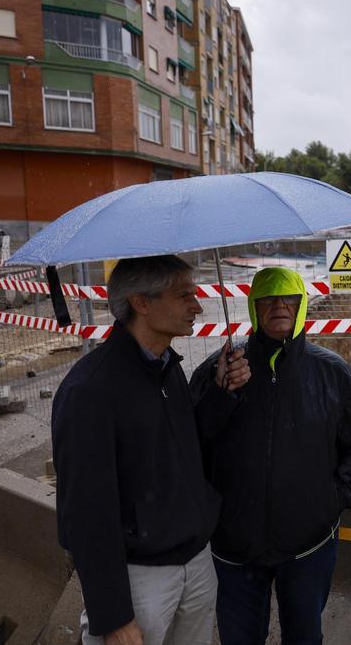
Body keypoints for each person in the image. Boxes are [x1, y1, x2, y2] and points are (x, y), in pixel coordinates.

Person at [52, 255, 250, 645]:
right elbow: (86, 513)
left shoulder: (166, 367)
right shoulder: (90, 391)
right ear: (141, 303)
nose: (197, 307)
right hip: (139, 579)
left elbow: (181, 447)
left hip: (195, 563)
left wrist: (222, 393)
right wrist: (113, 615)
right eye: (184, 296)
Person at [190, 266, 351, 645]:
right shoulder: (217, 371)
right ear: (253, 306)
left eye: (289, 298)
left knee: (304, 636)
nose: (279, 306)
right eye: (268, 299)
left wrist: (331, 501)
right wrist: (221, 395)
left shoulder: (331, 373)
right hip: (234, 546)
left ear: (302, 304)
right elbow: (191, 445)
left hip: (309, 544)